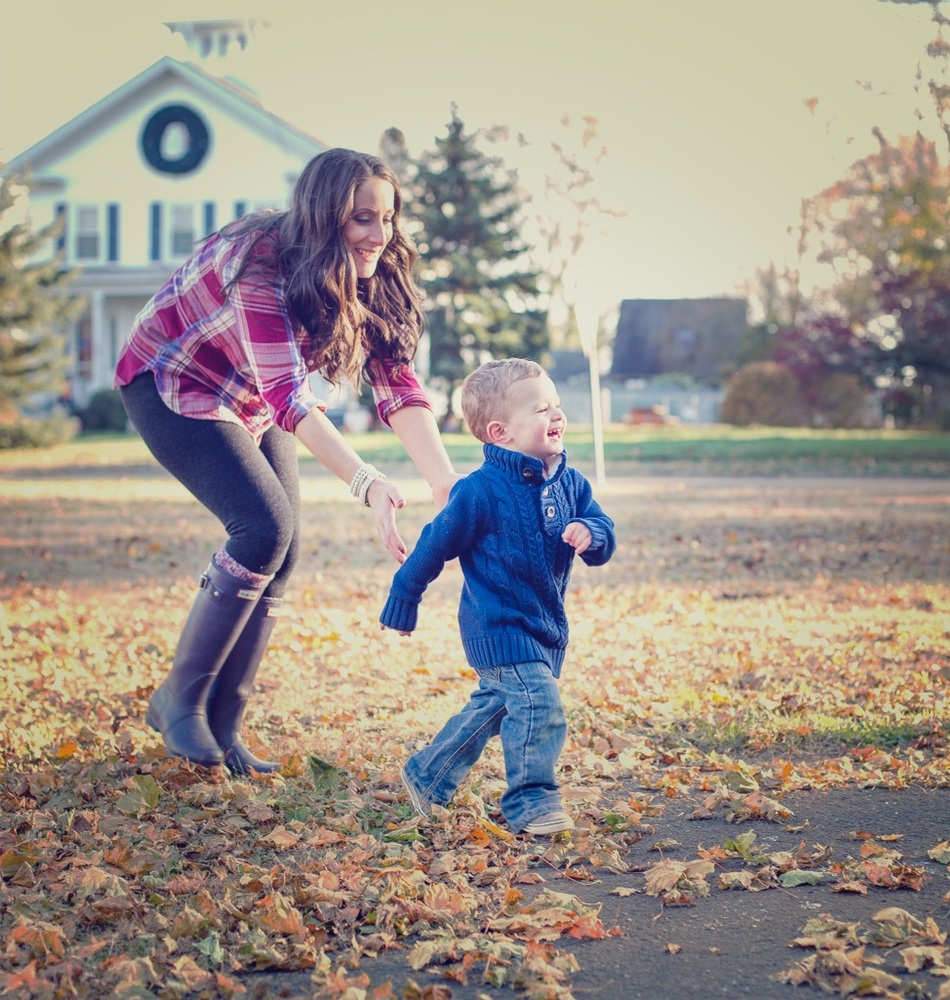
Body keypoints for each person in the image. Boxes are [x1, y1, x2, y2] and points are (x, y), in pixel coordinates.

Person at [115, 148, 458, 774]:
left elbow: (397, 383)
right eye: (362, 220)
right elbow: (292, 400)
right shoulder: (261, 263)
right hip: (170, 379)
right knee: (262, 528)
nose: (379, 235)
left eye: (388, 218)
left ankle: (223, 727)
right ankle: (178, 701)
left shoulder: (374, 272)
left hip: (247, 393)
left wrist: (445, 482)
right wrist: (367, 481)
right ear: (326, 218)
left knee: (286, 545)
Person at [379, 358, 616, 836]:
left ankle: (428, 776)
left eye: (557, 406)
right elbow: (434, 542)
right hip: (497, 625)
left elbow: (604, 528)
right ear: (500, 431)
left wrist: (591, 533)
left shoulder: (571, 483)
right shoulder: (479, 492)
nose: (556, 416)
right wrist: (405, 593)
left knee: (497, 705)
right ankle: (531, 802)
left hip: (544, 624)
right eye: (541, 409)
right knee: (537, 703)